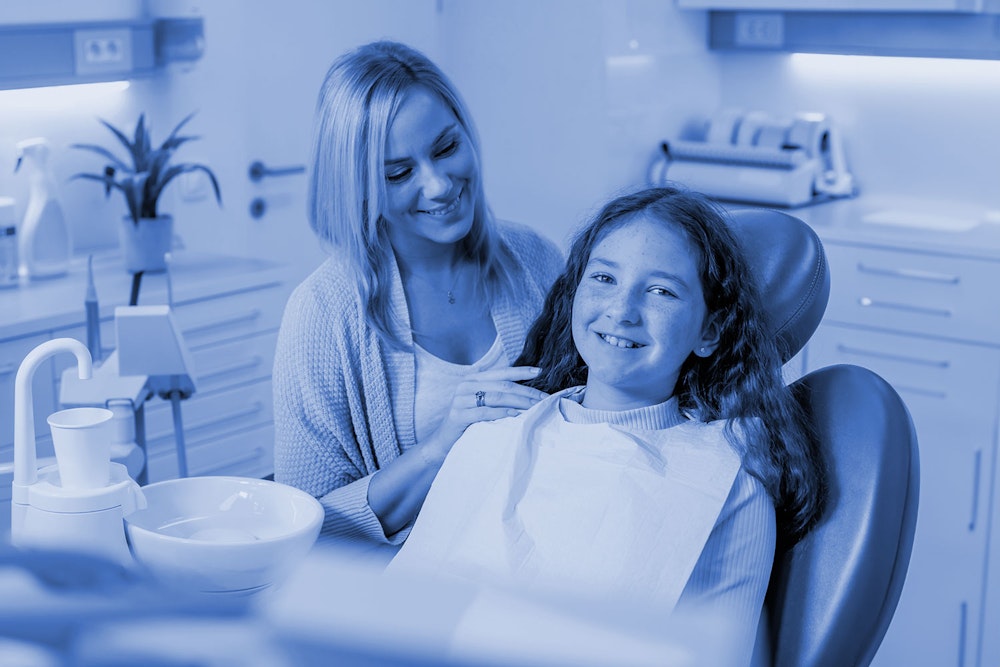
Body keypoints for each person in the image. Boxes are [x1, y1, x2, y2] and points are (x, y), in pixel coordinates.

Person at [387, 186, 826, 665]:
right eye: (603, 278)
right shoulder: (499, 431)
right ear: (574, 294)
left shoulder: (725, 475)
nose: (622, 310)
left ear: (709, 331)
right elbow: (409, 605)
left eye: (661, 290)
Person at [272, 40, 563, 544]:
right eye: (399, 173)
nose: (438, 185)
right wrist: (443, 445)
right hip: (414, 588)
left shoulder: (536, 258)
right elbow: (306, 527)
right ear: (357, 185)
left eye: (447, 147)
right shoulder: (322, 314)